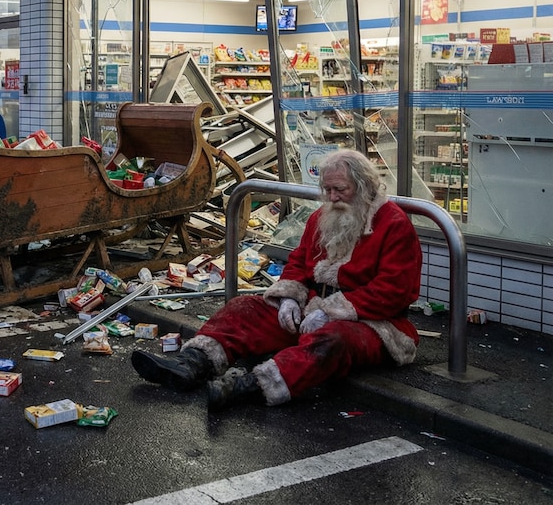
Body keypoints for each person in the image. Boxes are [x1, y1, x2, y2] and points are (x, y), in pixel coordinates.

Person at [131, 148, 422, 409]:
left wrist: (332, 310)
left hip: (372, 322)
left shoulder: (394, 224)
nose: (332, 198)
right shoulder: (321, 217)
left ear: (364, 187)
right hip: (313, 306)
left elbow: (394, 290)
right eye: (327, 190)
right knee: (243, 307)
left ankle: (251, 386)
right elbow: (298, 262)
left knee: (332, 340)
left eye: (340, 190)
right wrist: (288, 299)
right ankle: (191, 363)